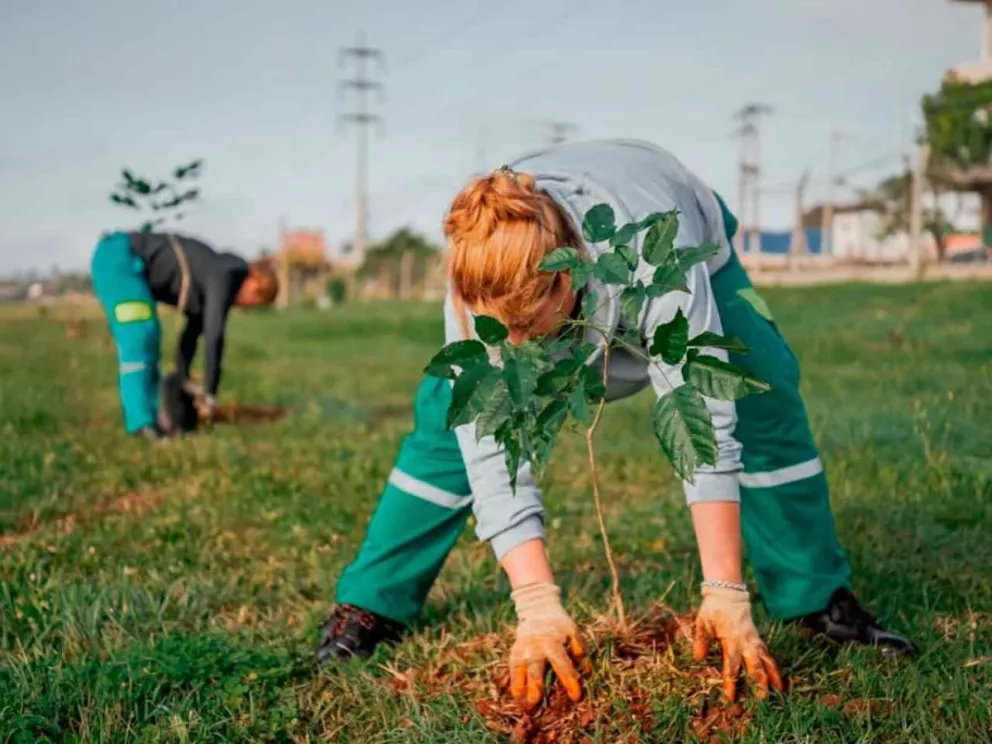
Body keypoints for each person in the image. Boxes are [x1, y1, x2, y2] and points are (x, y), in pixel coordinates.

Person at [316, 139, 916, 708]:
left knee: (762, 387)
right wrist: (536, 604)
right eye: (503, 330)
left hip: (681, 228)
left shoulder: (656, 248)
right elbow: (491, 447)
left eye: (529, 324)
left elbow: (701, 412)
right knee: (450, 419)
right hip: (539, 255)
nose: (516, 347)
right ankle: (372, 604)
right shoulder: (481, 276)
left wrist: (724, 590)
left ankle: (817, 596)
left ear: (567, 272)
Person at [90, 230, 278, 440]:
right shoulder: (224, 273)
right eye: (255, 302)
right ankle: (141, 425)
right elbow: (214, 336)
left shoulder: (209, 277)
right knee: (139, 334)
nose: (247, 307)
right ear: (255, 285)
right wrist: (210, 395)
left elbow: (191, 335)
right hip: (120, 257)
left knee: (149, 336)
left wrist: (183, 378)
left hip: (124, 258)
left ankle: (155, 419)